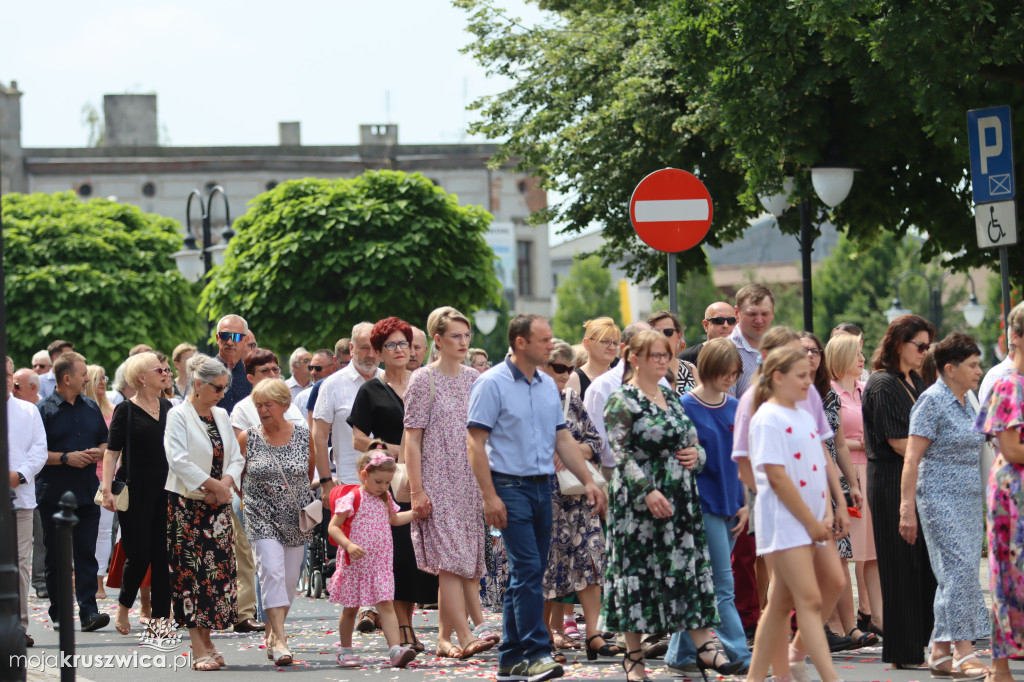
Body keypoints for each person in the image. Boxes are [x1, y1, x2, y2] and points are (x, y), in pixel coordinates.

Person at [468, 314, 607, 682]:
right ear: (520, 343)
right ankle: (535, 651)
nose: (551, 345)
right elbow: (475, 443)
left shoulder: (547, 385)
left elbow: (562, 439)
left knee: (526, 574)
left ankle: (510, 658)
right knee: (529, 569)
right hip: (507, 486)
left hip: (543, 486)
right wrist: (488, 495)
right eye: (543, 340)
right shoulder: (491, 383)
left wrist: (589, 482)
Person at [601, 329, 730, 682]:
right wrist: (647, 490)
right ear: (634, 358)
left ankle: (705, 646)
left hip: (680, 500)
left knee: (685, 570)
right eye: (655, 356)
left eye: (665, 355)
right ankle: (634, 657)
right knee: (637, 576)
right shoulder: (622, 400)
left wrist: (697, 456)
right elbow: (620, 455)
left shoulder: (672, 397)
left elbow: (694, 444)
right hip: (639, 506)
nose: (663, 361)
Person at [745, 346, 845, 682]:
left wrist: (829, 510)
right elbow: (776, 477)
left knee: (778, 607)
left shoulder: (803, 414)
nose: (808, 381)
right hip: (788, 524)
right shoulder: (767, 417)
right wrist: (811, 520)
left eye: (809, 375)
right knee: (810, 599)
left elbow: (818, 464)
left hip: (812, 521)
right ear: (778, 377)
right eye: (801, 376)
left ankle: (755, 678)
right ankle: (831, 677)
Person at [898, 333, 989, 679]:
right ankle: (964, 651)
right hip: (937, 497)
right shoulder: (931, 401)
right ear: (949, 369)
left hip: (967, 498)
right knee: (960, 572)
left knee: (957, 573)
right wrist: (907, 508)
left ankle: (938, 652)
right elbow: (911, 458)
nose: (978, 371)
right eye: (972, 365)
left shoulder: (969, 400)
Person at [404, 306, 493, 659]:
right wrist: (417, 489)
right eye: (455, 336)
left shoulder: (475, 378)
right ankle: (467, 634)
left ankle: (444, 639)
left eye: (466, 335)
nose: (463, 342)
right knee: (451, 562)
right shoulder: (422, 379)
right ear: (437, 340)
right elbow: (411, 438)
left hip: (469, 481)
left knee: (461, 562)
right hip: (437, 480)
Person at [347, 317, 438, 653]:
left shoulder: (424, 382)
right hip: (391, 483)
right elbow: (358, 439)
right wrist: (394, 451)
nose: (402, 351)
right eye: (393, 345)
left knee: (420, 556)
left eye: (406, 344)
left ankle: (409, 623)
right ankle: (403, 626)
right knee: (399, 555)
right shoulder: (371, 389)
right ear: (379, 352)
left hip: (429, 477)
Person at [666, 337, 751, 674]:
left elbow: (742, 458)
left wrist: (746, 503)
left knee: (705, 584)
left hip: (732, 503)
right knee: (722, 584)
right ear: (709, 369)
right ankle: (740, 654)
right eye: (725, 372)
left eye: (735, 373)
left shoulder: (735, 407)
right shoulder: (684, 405)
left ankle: (681, 654)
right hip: (700, 504)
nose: (731, 379)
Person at [862, 313, 937, 668]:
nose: (924, 351)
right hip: (892, 480)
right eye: (918, 345)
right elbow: (898, 442)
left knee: (920, 566)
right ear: (897, 344)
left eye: (927, 346)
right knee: (901, 566)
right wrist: (940, 450)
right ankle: (904, 652)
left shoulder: (915, 380)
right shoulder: (883, 383)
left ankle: (915, 645)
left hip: (914, 478)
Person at [163, 353, 244, 671]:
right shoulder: (177, 416)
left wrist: (224, 485)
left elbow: (236, 457)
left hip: (218, 509)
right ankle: (198, 647)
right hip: (187, 507)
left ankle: (208, 639)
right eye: (218, 388)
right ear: (198, 385)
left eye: (225, 388)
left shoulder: (222, 416)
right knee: (191, 578)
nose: (222, 394)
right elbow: (177, 459)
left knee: (216, 579)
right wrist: (213, 484)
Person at [538, 340, 617, 662]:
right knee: (543, 568)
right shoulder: (527, 400)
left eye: (569, 369)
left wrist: (571, 451)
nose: (564, 374)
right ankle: (541, 637)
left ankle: (593, 634)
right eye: (558, 367)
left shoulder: (571, 399)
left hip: (576, 498)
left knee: (590, 560)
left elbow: (595, 442)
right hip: (541, 497)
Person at [798, 331, 870, 650]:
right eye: (804, 351)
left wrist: (849, 486)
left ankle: (848, 627)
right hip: (798, 483)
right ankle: (820, 630)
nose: (811, 356)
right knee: (811, 561)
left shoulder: (827, 395)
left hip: (829, 479)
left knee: (839, 557)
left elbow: (836, 443)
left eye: (816, 351)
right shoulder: (787, 394)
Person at [239, 378, 315, 666]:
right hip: (260, 516)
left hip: (296, 517)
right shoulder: (248, 437)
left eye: (268, 404)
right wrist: (252, 503)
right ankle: (281, 639)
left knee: (289, 579)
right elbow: (239, 476)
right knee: (271, 571)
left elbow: (307, 474)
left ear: (284, 405)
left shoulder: (303, 436)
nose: (262, 409)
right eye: (258, 404)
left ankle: (273, 632)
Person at [36, 350, 110, 632]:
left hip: (87, 491)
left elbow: (106, 443)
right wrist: (66, 457)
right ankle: (58, 612)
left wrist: (96, 453)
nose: (87, 378)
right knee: (56, 556)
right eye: (83, 374)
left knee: (86, 553)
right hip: (54, 493)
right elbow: (36, 454)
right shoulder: (43, 410)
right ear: (67, 378)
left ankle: (89, 611)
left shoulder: (91, 407)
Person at [100, 352, 172, 636]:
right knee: (139, 554)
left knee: (161, 555)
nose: (166, 374)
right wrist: (107, 490)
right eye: (160, 370)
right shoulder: (125, 410)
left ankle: (160, 619)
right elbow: (111, 453)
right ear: (142, 377)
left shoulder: (169, 407)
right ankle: (123, 605)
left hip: (165, 491)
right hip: (134, 491)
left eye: (167, 370)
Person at [328, 443, 418, 668]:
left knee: (386, 604)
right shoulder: (352, 498)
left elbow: (394, 519)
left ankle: (395, 650)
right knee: (350, 609)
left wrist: (415, 513)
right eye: (379, 482)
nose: (383, 486)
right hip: (355, 565)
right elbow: (333, 527)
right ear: (364, 475)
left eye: (387, 482)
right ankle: (345, 650)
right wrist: (348, 545)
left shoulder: (385, 498)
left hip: (379, 564)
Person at [973, 301, 1024, 682]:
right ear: (1017, 338)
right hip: (1013, 491)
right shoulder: (1007, 383)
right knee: (1008, 574)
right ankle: (1000, 667)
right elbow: (1010, 448)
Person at [826, 333, 883, 639]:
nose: (862, 359)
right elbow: (829, 438)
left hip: (870, 471)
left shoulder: (866, 388)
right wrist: (856, 442)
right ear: (840, 358)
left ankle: (878, 616)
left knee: (872, 552)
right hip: (843, 473)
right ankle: (842, 623)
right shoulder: (830, 393)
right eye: (855, 354)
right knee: (845, 552)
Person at [7, 356, 48, 648]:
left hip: (20, 499)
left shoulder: (28, 410)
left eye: (8, 375)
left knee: (20, 564)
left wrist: (20, 475)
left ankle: (18, 626)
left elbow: (39, 450)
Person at [85, 363, 115, 600]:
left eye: (104, 377)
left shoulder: (113, 411)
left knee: (105, 531)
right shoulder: (83, 410)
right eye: (96, 378)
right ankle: (80, 575)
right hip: (84, 477)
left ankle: (99, 581)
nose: (102, 382)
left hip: (108, 477)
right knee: (83, 530)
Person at [230, 349, 306, 433]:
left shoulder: (292, 407)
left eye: (275, 369)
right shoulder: (242, 410)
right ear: (251, 378)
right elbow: (240, 445)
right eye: (264, 371)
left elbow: (306, 439)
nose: (272, 375)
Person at [729, 284, 775, 397]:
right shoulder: (726, 353)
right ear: (736, 313)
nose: (759, 320)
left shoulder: (780, 349)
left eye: (765, 314)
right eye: (752, 314)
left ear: (772, 312)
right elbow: (726, 407)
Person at [566, 317, 620, 399]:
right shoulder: (574, 380)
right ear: (587, 343)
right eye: (605, 341)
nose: (612, 347)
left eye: (615, 343)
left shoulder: (620, 378)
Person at [648, 310, 699, 394]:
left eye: (668, 332)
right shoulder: (644, 370)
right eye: (656, 333)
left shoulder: (690, 368)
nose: (662, 337)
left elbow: (702, 402)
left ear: (679, 336)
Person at [214, 314, 253, 413]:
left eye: (236, 337)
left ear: (246, 340)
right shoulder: (203, 372)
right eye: (225, 336)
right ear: (217, 338)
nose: (230, 342)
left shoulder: (252, 374)